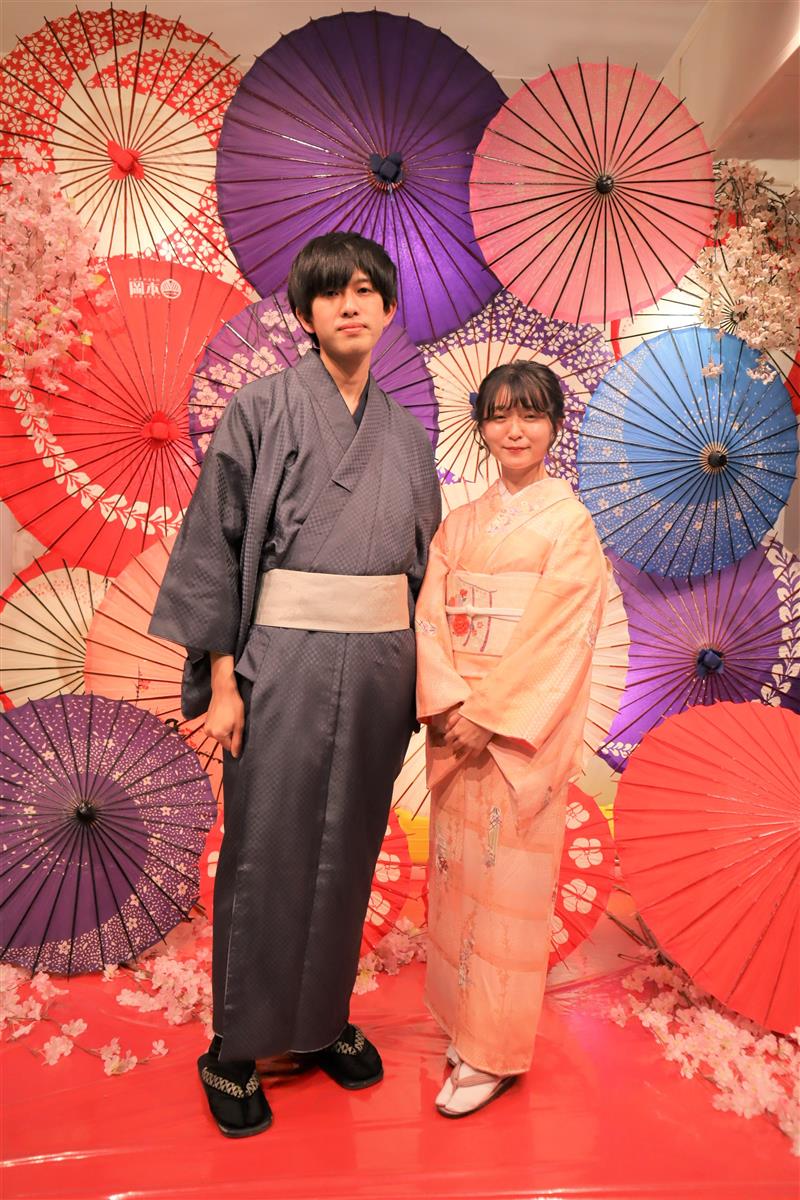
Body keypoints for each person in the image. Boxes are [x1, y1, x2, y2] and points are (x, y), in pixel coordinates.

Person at [149, 232, 440, 1136]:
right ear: (307, 314)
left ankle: (320, 1021)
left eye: (366, 291)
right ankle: (235, 1045)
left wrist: (432, 684)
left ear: (388, 309)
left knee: (351, 846)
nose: (351, 305)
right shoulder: (262, 408)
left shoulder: (408, 437)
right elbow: (216, 544)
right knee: (267, 844)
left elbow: (427, 572)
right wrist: (223, 682)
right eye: (332, 293)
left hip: (381, 663)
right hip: (281, 657)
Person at [414, 360, 607, 1118]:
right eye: (499, 415)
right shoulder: (459, 521)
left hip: (514, 732)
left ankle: (492, 1051)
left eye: (530, 414)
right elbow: (431, 617)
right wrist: (448, 705)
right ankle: (461, 1022)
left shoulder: (570, 523)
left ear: (555, 425)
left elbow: (562, 637)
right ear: (483, 427)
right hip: (457, 715)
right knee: (458, 878)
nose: (515, 430)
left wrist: (488, 716)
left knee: (508, 891)